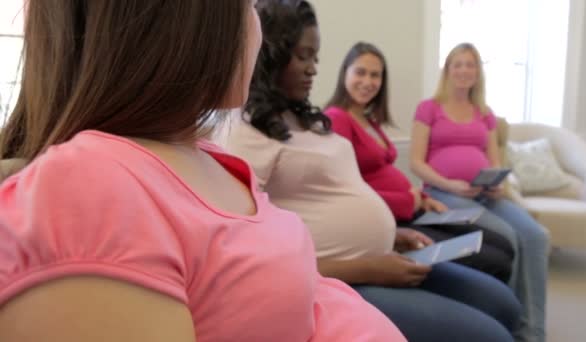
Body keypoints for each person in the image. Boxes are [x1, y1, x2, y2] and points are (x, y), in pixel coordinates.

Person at [0, 1, 409, 341]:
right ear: (187, 18)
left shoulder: (204, 157)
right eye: (249, 4)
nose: (257, 28)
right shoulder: (85, 191)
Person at [225, 2, 521, 341]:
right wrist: (367, 268)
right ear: (269, 55)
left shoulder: (302, 119)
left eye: (316, 58)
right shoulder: (246, 133)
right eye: (303, 56)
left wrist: (393, 235)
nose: (312, 69)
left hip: (385, 253)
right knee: (491, 335)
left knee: (502, 304)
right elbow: (253, 262)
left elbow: (334, 194)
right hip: (340, 279)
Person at [324, 41, 515, 283]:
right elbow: (346, 192)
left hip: (416, 209)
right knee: (494, 259)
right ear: (345, 74)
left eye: (376, 75)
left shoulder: (367, 119)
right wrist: (408, 199)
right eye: (360, 72)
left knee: (501, 244)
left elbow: (381, 173)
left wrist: (423, 199)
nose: (368, 81)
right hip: (394, 218)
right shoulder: (337, 118)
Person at [409, 42, 549, 342]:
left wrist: (498, 183)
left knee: (536, 236)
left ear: (477, 72)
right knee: (508, 237)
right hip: (443, 193)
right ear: (447, 70)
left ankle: (534, 330)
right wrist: (450, 184)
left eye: (470, 64)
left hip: (487, 193)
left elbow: (494, 160)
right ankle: (506, 321)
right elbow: (416, 163)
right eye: (457, 64)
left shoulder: (485, 113)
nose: (464, 70)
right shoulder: (429, 108)